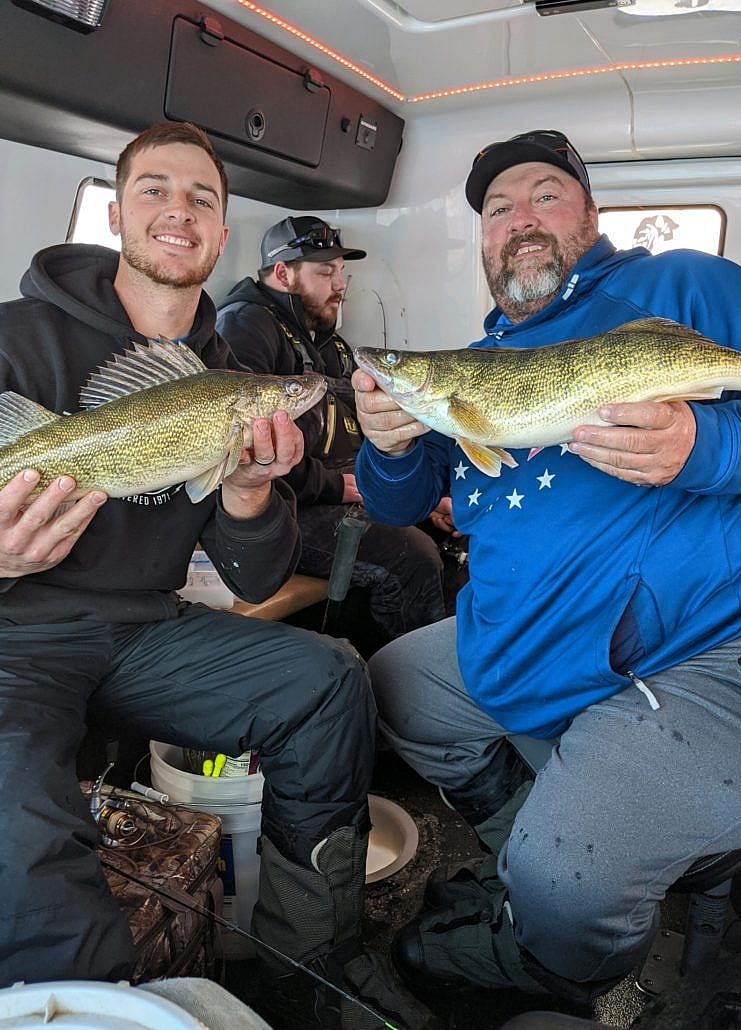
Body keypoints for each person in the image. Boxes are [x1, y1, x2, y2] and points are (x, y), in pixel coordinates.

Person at [0, 121, 436, 1030]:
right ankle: (98, 1007)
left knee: (326, 683)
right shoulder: (14, 338)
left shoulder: (224, 378)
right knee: (16, 801)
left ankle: (309, 966)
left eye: (201, 197)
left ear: (223, 233)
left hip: (145, 631)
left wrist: (245, 493)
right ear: (117, 214)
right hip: (17, 633)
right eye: (154, 190)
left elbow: (253, 574)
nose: (177, 210)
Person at [352, 129, 741, 1003]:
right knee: (385, 688)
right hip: (526, 635)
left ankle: (561, 947)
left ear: (589, 213)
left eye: (545, 194)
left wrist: (705, 442)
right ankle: (527, 845)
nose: (519, 219)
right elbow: (397, 502)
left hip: (698, 647)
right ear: (483, 243)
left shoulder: (684, 286)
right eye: (497, 209)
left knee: (566, 885)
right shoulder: (479, 360)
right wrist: (386, 442)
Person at [216, 216, 447, 643]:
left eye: (343, 272)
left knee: (444, 530)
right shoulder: (246, 326)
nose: (340, 284)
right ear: (283, 273)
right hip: (287, 504)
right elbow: (244, 445)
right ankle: (405, 681)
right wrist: (335, 488)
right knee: (412, 558)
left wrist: (416, 495)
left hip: (339, 489)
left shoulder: (328, 340)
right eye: (325, 272)